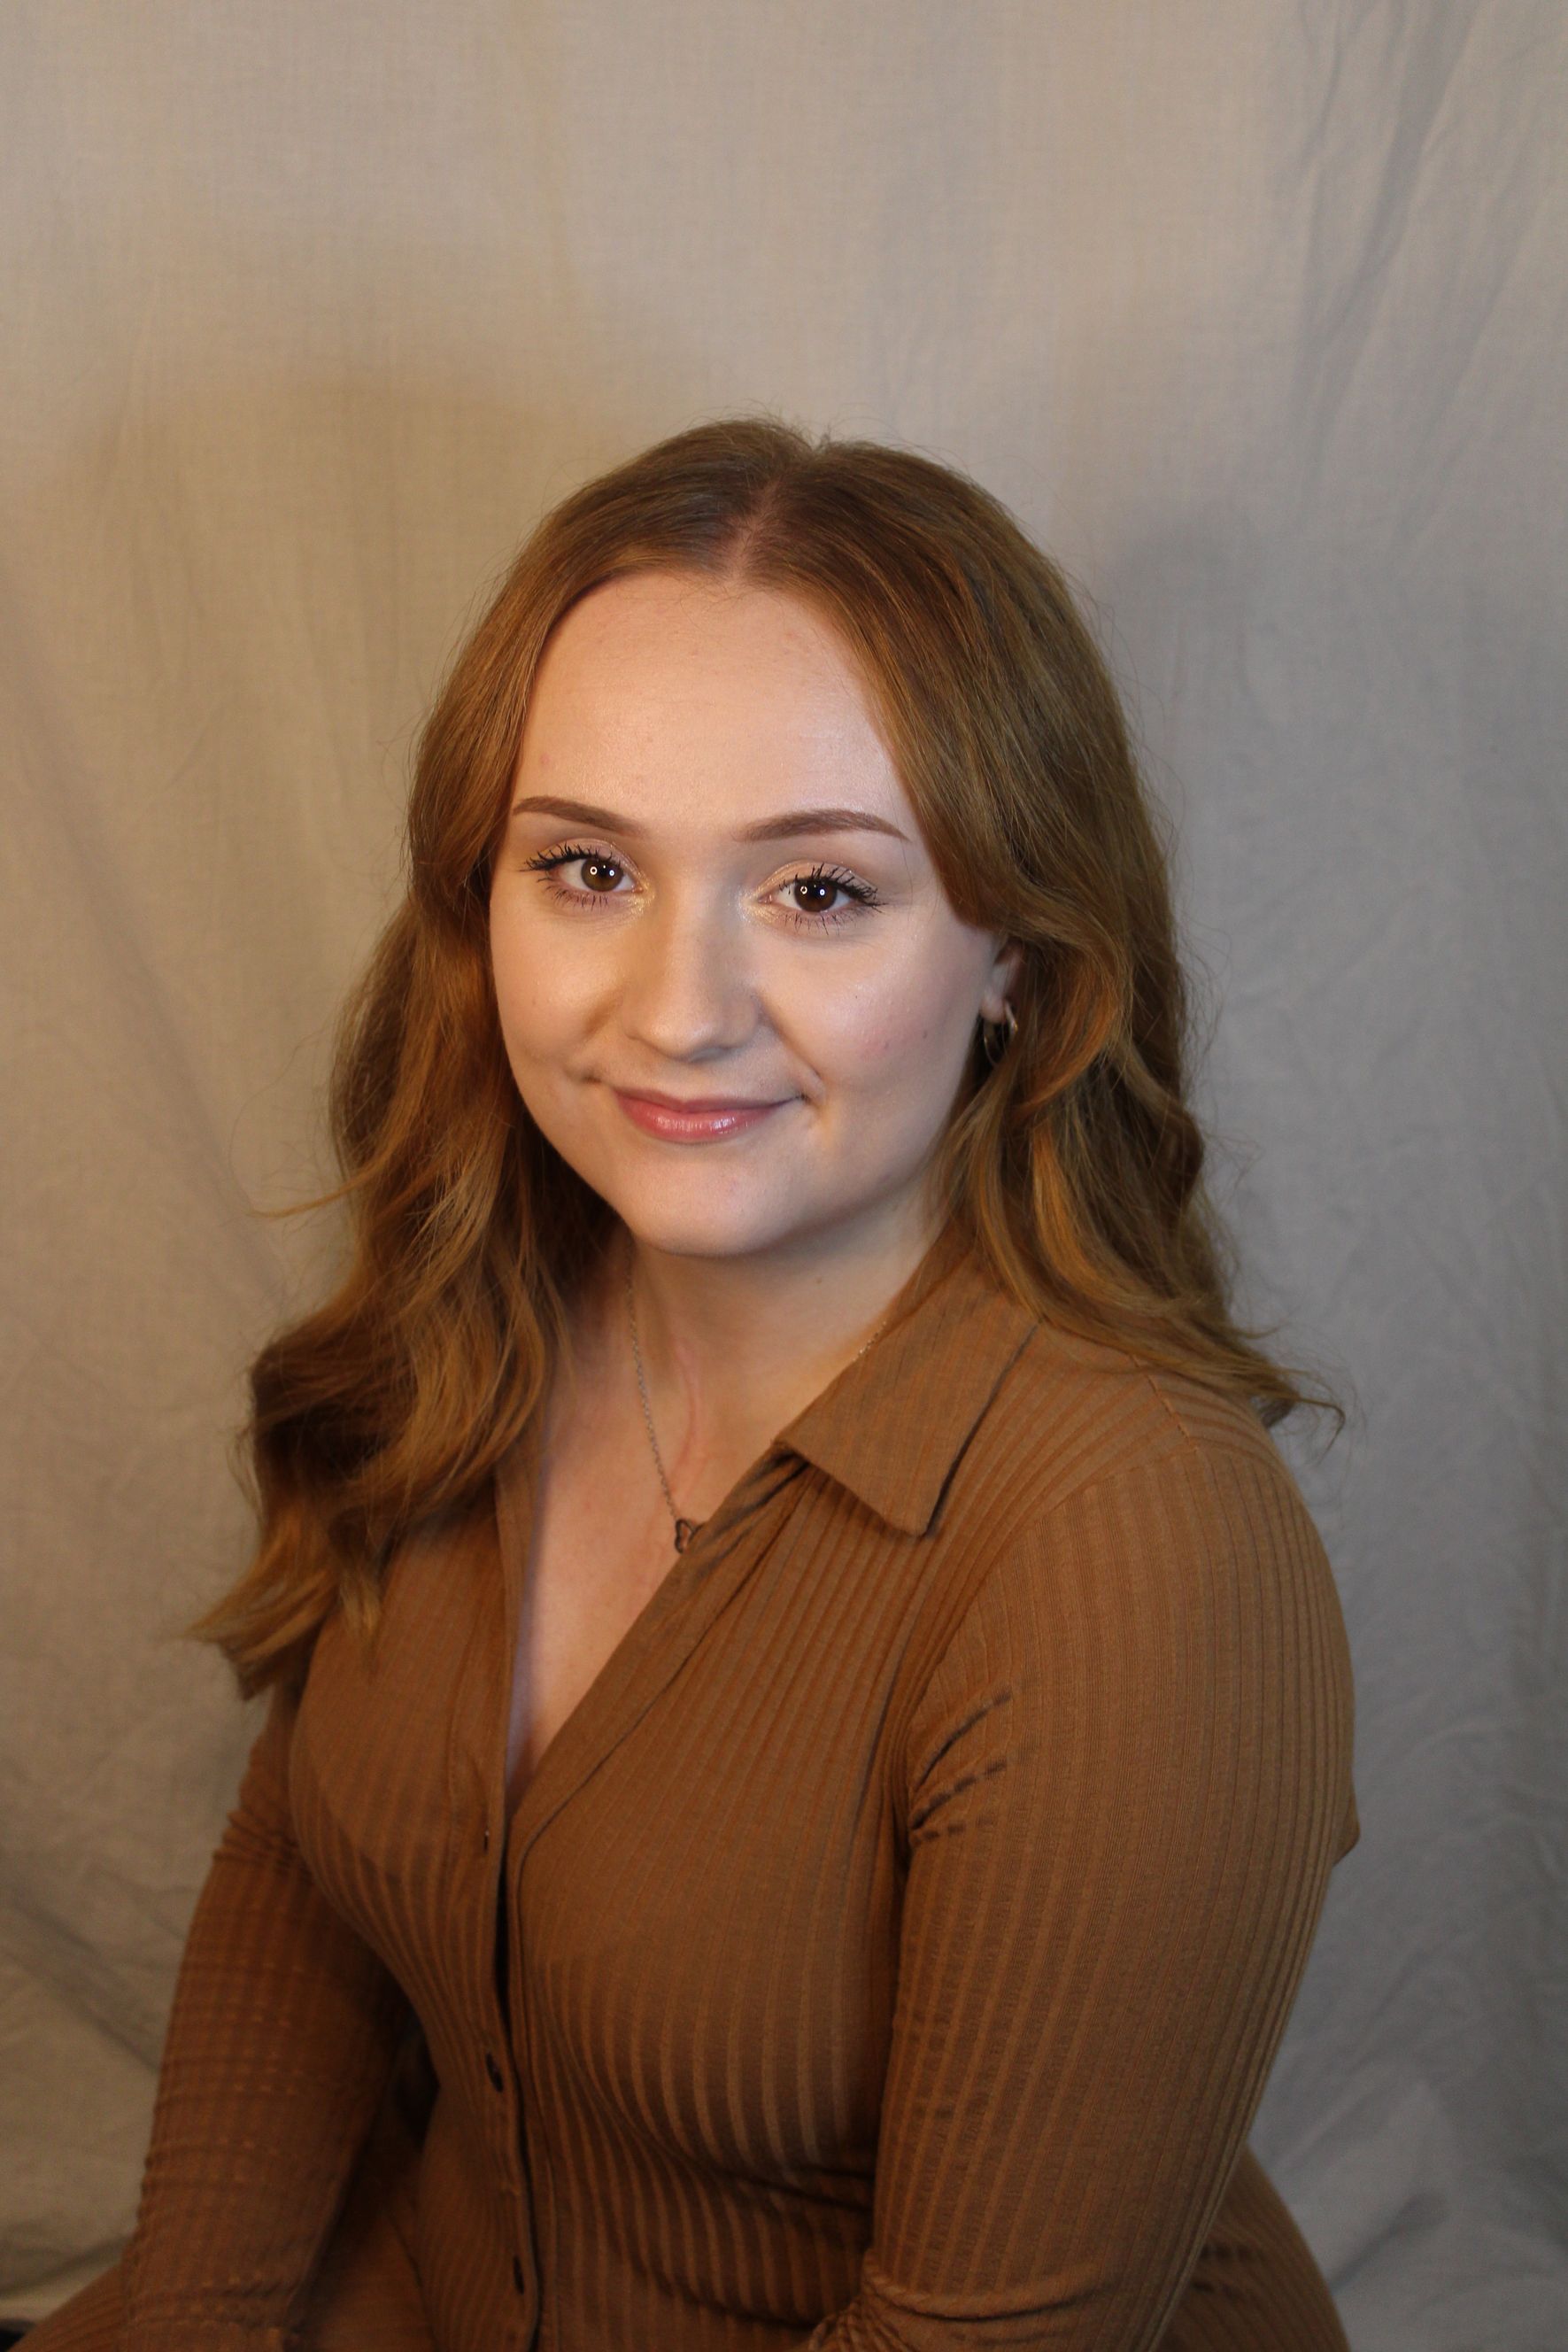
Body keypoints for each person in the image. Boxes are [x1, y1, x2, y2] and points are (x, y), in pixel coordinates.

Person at [27, 415, 1360, 2351]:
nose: (672, 1006)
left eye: (818, 892)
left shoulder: (1136, 1554)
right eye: (585, 867)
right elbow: (307, 1878)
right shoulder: (478, 1317)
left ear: (1016, 960)